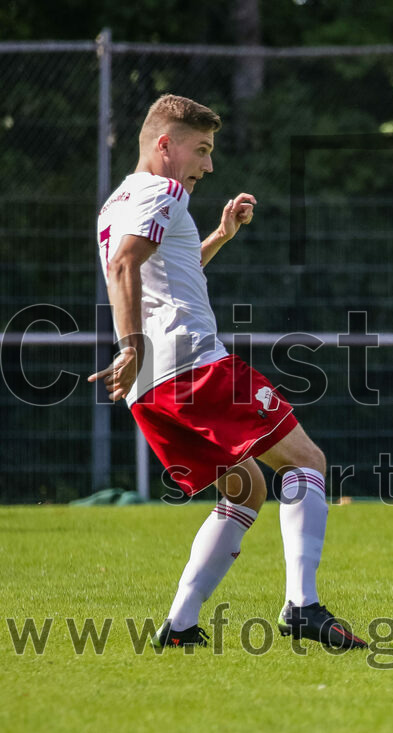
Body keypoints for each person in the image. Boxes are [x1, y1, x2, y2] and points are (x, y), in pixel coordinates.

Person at [91, 94, 365, 649]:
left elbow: (162, 274)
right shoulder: (162, 189)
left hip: (150, 389)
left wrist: (218, 237)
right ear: (165, 145)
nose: (208, 166)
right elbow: (124, 265)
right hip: (191, 363)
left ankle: (180, 626)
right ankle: (303, 606)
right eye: (202, 150)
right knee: (306, 461)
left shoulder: (117, 201)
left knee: (246, 489)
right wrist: (131, 344)